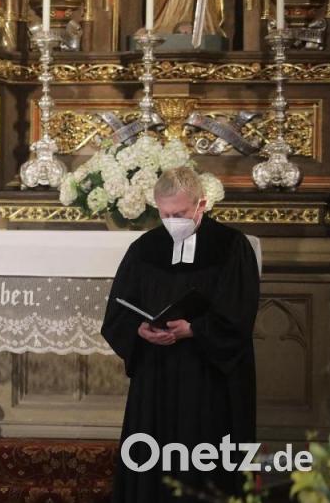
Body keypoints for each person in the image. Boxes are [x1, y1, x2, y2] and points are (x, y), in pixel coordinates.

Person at [101, 167, 259, 502]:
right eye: (166, 214)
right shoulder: (144, 249)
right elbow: (118, 312)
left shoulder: (231, 246)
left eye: (181, 213)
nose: (174, 221)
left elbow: (240, 311)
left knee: (206, 455)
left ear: (201, 204)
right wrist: (139, 329)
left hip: (209, 377)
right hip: (157, 376)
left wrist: (195, 329)